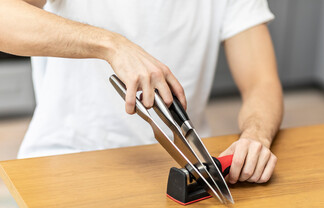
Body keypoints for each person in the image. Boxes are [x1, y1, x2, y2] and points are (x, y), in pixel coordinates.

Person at [0, 0, 283, 184]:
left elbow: (262, 83)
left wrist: (255, 136)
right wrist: (111, 45)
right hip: (67, 162)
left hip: (183, 170)